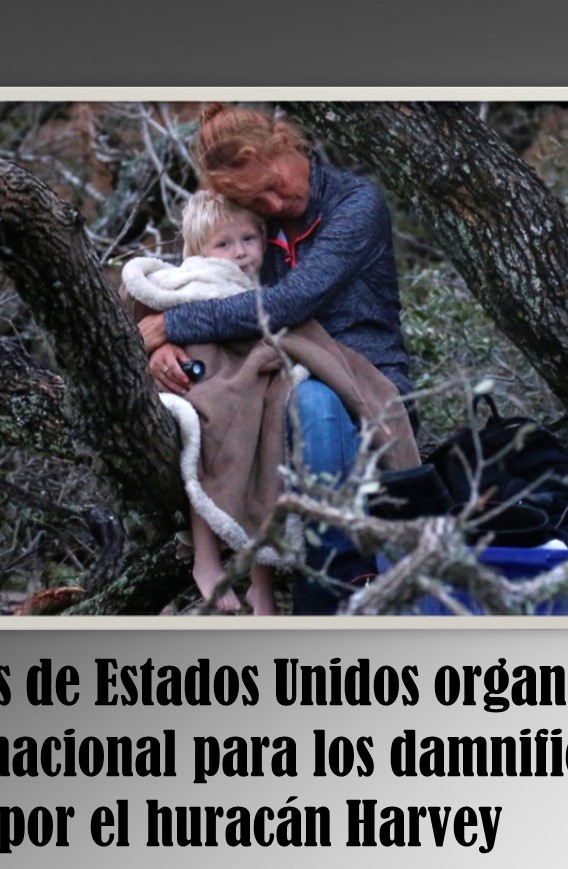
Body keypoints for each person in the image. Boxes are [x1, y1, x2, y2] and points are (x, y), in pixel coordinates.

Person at [137, 104, 418, 613]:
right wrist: (163, 347)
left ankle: (326, 592)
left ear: (286, 144)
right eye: (255, 200)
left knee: (314, 402)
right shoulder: (253, 225)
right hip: (277, 378)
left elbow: (291, 302)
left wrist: (172, 325)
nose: (273, 203)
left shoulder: (355, 204)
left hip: (365, 375)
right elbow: (207, 283)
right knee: (256, 398)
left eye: (273, 184)